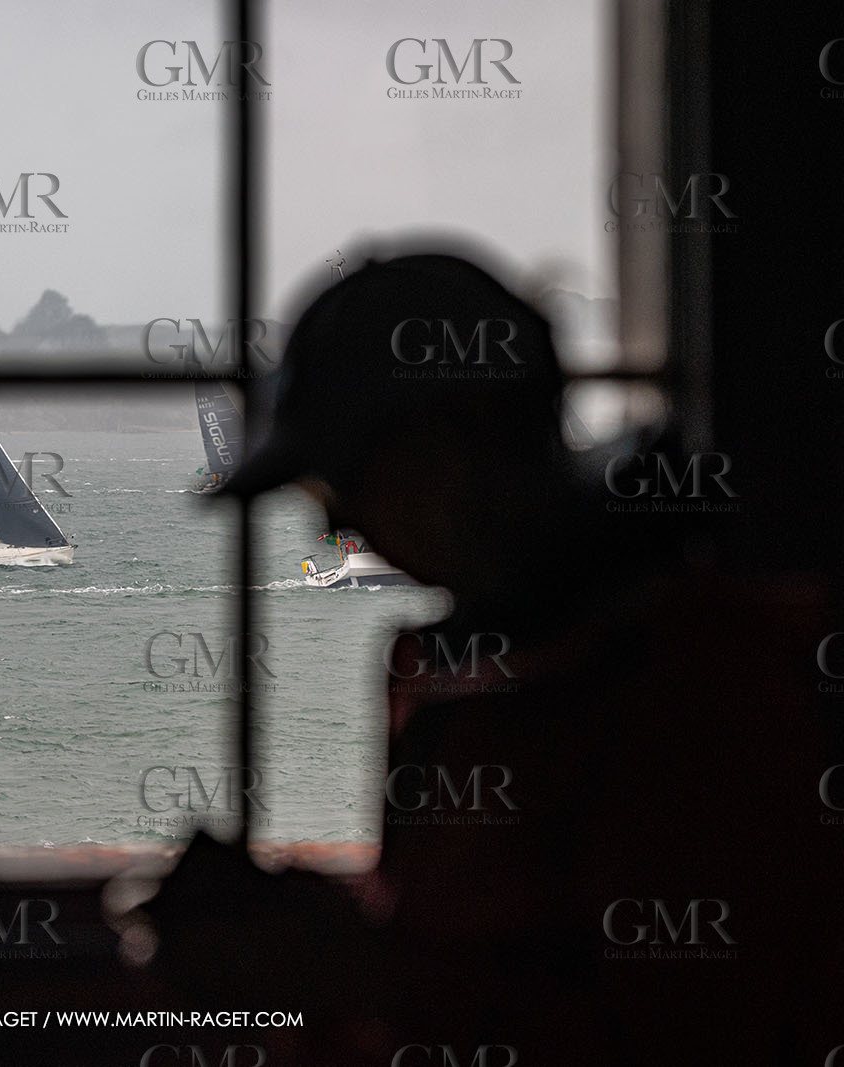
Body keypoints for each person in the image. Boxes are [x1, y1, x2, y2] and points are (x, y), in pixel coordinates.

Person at [140, 247, 836, 1064]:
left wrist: (361, 972)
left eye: (344, 481)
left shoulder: (695, 679)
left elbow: (698, 1033)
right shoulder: (472, 667)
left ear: (460, 440)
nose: (339, 524)